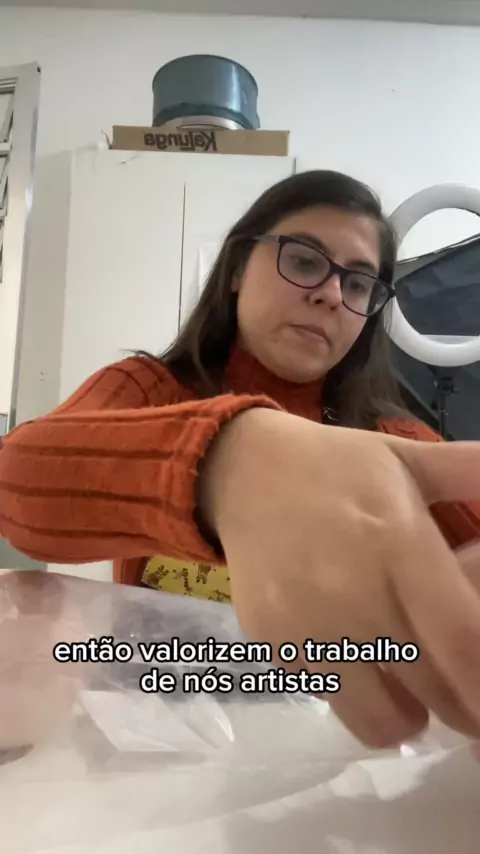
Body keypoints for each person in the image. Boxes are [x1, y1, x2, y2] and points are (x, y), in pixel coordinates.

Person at [2, 169, 480, 750]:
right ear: (235, 271)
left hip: (329, 757)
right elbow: (16, 483)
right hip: (154, 744)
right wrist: (224, 459)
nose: (332, 294)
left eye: (359, 285)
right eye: (304, 260)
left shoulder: (392, 440)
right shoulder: (149, 389)